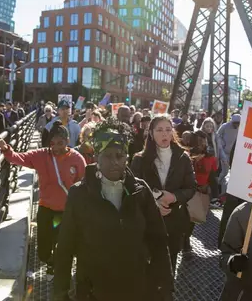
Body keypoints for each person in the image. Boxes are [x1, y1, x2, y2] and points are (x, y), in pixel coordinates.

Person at [53, 118, 174, 301]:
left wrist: (165, 288)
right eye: (107, 156)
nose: (114, 162)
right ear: (96, 157)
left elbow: (158, 241)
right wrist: (61, 294)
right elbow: (65, 248)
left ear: (127, 157)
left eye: (119, 155)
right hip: (93, 292)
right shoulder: (79, 194)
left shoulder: (140, 191)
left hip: (138, 289)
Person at [0, 121, 86, 277]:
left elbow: (84, 182)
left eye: (61, 143)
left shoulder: (77, 158)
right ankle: (50, 261)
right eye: (53, 143)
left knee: (62, 244)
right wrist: (5, 148)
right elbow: (18, 158)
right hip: (46, 208)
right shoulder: (41, 155)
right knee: (43, 249)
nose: (56, 147)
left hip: (66, 211)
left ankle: (57, 269)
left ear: (67, 141)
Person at [130, 114, 196, 269]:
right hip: (148, 222)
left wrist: (174, 197)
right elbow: (133, 188)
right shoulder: (140, 159)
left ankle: (167, 292)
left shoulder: (183, 157)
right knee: (148, 265)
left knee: (170, 263)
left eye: (168, 129)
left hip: (174, 220)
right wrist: (154, 202)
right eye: (159, 130)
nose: (164, 134)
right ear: (151, 133)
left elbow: (191, 188)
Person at [216, 113, 241, 193]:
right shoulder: (225, 126)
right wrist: (222, 144)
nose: (236, 125)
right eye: (235, 123)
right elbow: (217, 135)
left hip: (234, 153)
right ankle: (218, 184)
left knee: (234, 172)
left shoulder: (241, 128)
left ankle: (229, 189)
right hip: (224, 152)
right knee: (225, 171)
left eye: (238, 123)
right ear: (232, 121)